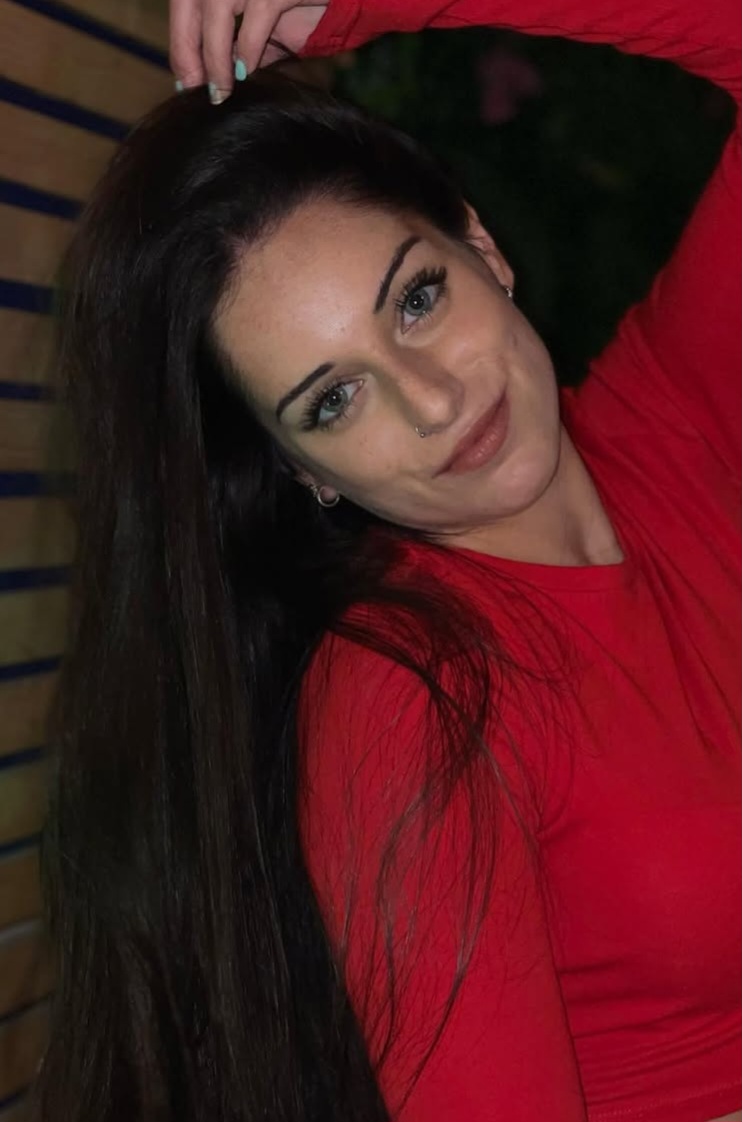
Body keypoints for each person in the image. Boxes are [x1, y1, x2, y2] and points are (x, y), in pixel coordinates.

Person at [35, 0, 740, 1120]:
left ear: (481, 248)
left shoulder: (677, 418)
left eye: (415, 300)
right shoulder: (407, 700)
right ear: (304, 470)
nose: (433, 400)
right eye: (335, 400)